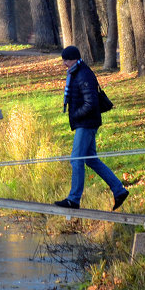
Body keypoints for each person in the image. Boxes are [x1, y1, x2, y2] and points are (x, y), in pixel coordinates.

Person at [54, 46, 129, 210]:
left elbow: (91, 103)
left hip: (86, 123)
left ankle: (73, 199)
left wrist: (75, 115)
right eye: (63, 60)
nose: (64, 64)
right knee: (91, 159)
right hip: (85, 122)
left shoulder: (83, 74)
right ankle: (119, 190)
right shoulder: (76, 72)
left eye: (66, 60)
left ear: (74, 59)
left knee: (76, 159)